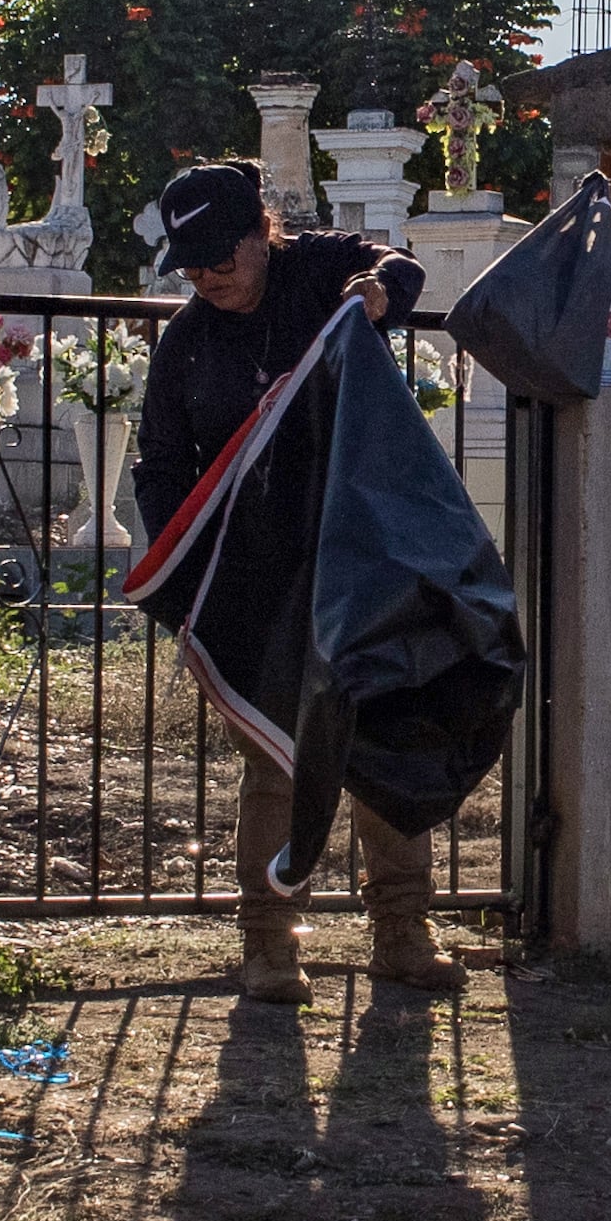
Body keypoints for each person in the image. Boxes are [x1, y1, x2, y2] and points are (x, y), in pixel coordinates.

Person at [124, 160, 434, 1006]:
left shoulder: (315, 269)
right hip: (255, 580)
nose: (205, 276)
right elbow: (160, 465)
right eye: (188, 263)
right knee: (274, 760)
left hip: (358, 556)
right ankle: (269, 942)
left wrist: (375, 294)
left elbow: (399, 269)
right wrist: (184, 573)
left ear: (262, 233)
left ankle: (402, 932)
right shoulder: (187, 342)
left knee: (379, 743)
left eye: (219, 255)